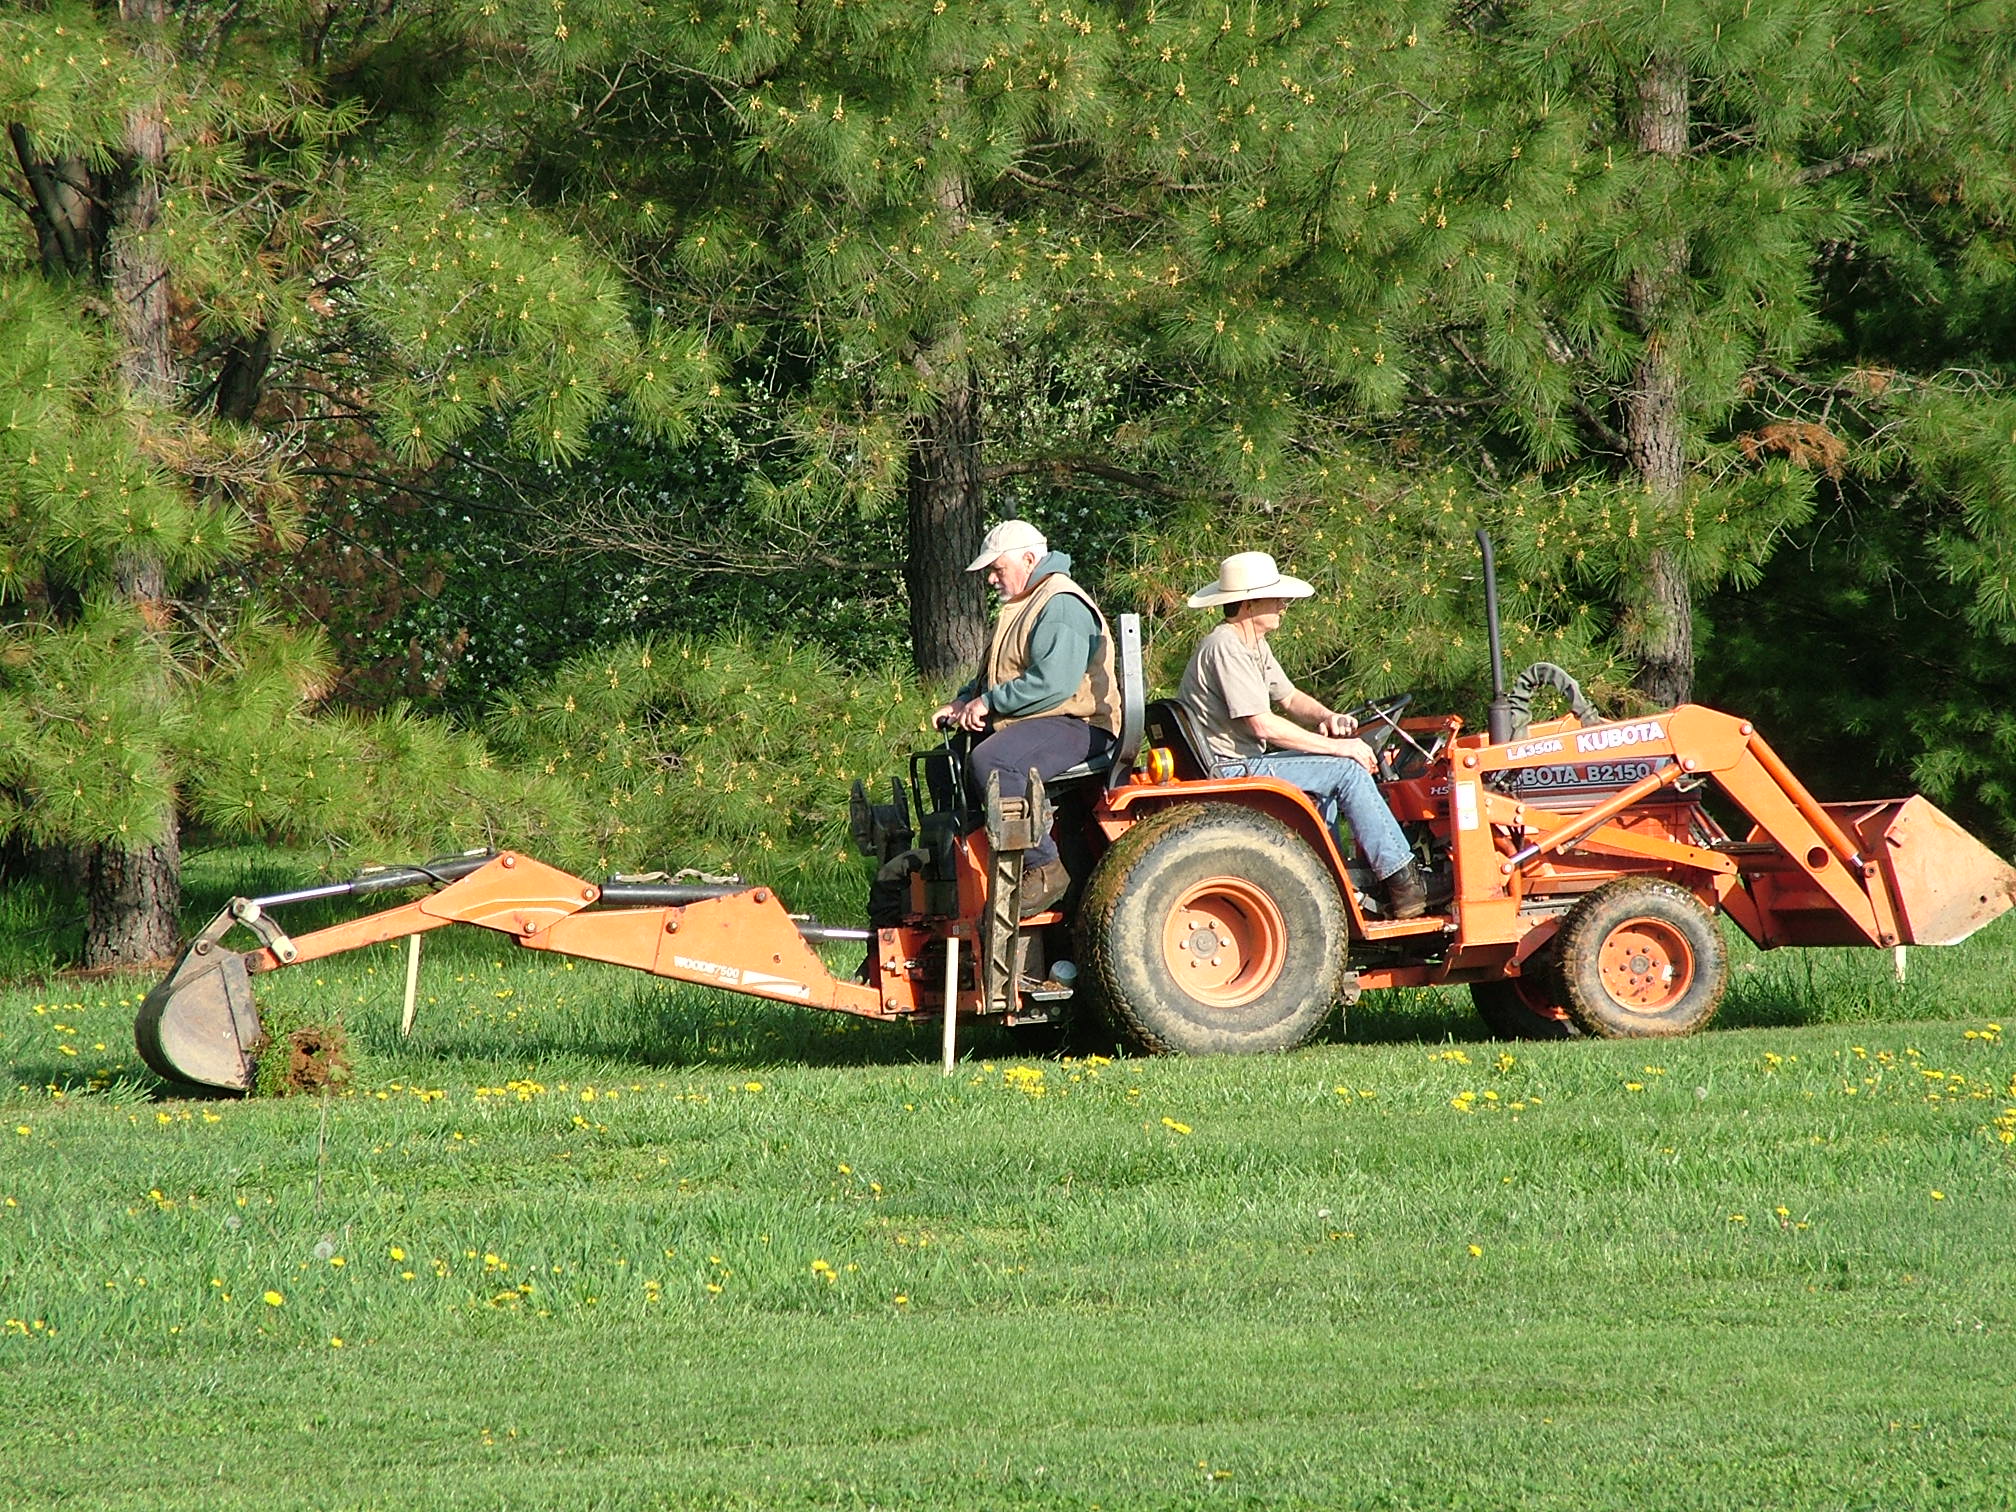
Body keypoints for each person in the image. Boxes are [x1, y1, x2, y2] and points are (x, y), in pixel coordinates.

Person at [1177, 551, 1428, 919]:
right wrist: (1340, 748)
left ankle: (1339, 881)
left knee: (1329, 773)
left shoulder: (1252, 644)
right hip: (1231, 768)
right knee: (1346, 771)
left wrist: (1328, 716)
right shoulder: (1225, 646)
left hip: (1242, 762)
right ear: (1248, 603)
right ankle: (1403, 881)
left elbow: (1290, 697)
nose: (1283, 605)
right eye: (1275, 597)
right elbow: (1262, 725)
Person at [932, 520, 1119, 915]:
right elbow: (999, 673)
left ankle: (1043, 867)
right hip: (1046, 721)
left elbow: (1054, 684)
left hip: (1083, 725)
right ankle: (959, 868)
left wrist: (989, 703)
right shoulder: (1027, 602)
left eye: (997, 569)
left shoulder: (1060, 603)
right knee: (943, 762)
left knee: (993, 761)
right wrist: (965, 700)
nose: (991, 580)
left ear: (1029, 559)